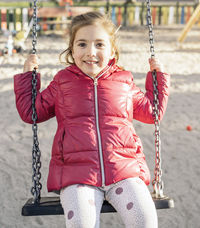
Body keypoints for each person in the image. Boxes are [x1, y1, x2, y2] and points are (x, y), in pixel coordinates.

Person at [14, 11, 170, 228]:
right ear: (72, 49)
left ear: (112, 49)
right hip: (77, 177)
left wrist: (158, 79)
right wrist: (27, 76)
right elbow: (32, 112)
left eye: (99, 44)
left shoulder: (123, 82)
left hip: (124, 171)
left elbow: (152, 113)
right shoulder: (62, 82)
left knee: (145, 220)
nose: (90, 52)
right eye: (82, 44)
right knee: (81, 224)